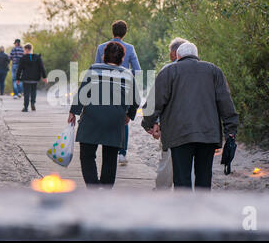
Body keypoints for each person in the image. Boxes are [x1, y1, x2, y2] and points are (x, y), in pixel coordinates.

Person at [142, 42, 239, 190]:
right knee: (204, 177)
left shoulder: (169, 72)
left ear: (178, 56)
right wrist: (230, 130)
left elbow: (154, 102)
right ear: (196, 55)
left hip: (179, 134)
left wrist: (148, 123)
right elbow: (225, 102)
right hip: (208, 134)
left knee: (181, 179)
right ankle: (200, 209)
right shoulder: (214, 71)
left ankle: (184, 210)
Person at [69, 42, 140, 189]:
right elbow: (135, 100)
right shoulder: (127, 74)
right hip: (115, 119)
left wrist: (73, 112)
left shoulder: (94, 69)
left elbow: (83, 93)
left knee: (87, 155)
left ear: (104, 55)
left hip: (91, 118)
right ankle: (105, 191)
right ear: (122, 58)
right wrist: (129, 115)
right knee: (110, 158)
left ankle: (94, 188)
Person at [95, 20, 141, 166]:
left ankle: (106, 149)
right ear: (125, 32)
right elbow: (137, 70)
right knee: (124, 120)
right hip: (123, 88)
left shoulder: (102, 47)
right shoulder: (130, 48)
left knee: (104, 115)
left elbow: (97, 68)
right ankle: (122, 153)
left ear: (112, 31)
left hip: (104, 87)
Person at [153, 37, 188, 190]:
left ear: (174, 53)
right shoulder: (202, 70)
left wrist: (154, 123)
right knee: (189, 162)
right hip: (193, 126)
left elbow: (158, 100)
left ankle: (162, 190)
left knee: (167, 161)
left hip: (171, 125)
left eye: (170, 52)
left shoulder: (167, 70)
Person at [15, 43, 48, 112]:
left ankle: (26, 107)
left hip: (26, 78)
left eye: (24, 50)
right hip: (35, 78)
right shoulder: (37, 57)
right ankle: (33, 103)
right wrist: (44, 77)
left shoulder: (23, 58)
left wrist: (17, 78)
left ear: (26, 50)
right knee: (33, 91)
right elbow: (42, 68)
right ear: (31, 49)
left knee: (26, 92)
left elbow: (19, 69)